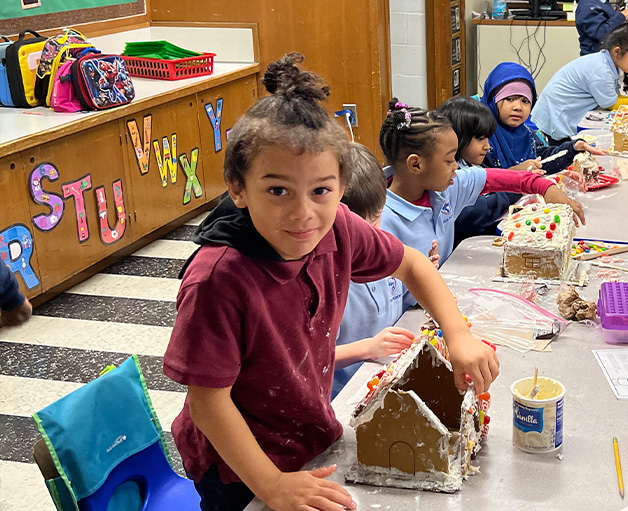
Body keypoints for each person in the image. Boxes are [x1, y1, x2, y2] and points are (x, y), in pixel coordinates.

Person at [163, 54, 499, 511]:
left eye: (320, 190)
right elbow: (208, 403)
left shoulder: (338, 226)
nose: (303, 213)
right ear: (238, 188)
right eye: (278, 190)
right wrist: (272, 486)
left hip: (307, 431)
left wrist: (458, 334)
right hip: (240, 466)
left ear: (342, 187)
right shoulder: (218, 279)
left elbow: (415, 266)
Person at [378, 98, 586, 306]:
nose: (457, 167)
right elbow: (391, 303)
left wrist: (543, 186)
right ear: (416, 164)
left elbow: (496, 178)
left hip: (444, 294)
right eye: (449, 160)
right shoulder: (382, 224)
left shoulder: (444, 188)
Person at [447, 66, 603, 241]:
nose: (517, 107)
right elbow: (480, 207)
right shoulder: (474, 144)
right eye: (510, 99)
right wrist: (519, 181)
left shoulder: (526, 133)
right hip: (484, 234)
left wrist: (572, 149)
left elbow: (540, 160)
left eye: (525, 101)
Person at [331, 143, 436, 399]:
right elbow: (307, 358)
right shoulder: (324, 278)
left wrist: (422, 281)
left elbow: (399, 299)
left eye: (376, 218)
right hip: (341, 397)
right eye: (355, 229)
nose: (369, 236)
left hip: (384, 380)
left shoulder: (385, 251)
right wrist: (368, 347)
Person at [532, 22, 628, 144]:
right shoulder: (600, 70)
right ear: (617, 51)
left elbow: (610, 97)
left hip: (557, 114)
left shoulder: (606, 62)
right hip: (555, 120)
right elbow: (610, 103)